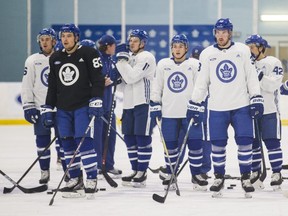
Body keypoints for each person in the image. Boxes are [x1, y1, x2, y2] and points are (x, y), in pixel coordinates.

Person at [186, 18, 264, 197]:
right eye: (218, 32)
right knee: (218, 144)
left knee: (245, 142)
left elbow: (251, 76)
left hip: (241, 105)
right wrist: (195, 102)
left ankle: (245, 176)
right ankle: (218, 176)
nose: (220, 36)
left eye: (224, 32)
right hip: (217, 107)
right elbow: (202, 82)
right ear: (215, 33)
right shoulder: (207, 54)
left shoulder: (243, 50)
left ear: (230, 33)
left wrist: (256, 97)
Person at [41, 23, 105, 197]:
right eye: (63, 36)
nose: (65, 39)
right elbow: (52, 86)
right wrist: (48, 107)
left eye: (69, 36)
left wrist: (97, 99)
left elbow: (98, 79)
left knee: (83, 141)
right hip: (63, 108)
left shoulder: (89, 53)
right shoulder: (55, 58)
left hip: (82, 106)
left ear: (76, 37)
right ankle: (75, 178)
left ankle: (91, 177)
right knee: (67, 143)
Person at [150, 34, 208, 191]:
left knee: (196, 145)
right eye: (174, 46)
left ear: (186, 48)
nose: (177, 49)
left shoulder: (195, 65)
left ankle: (196, 175)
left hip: (190, 113)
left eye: (180, 46)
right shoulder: (163, 64)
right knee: (170, 147)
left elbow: (201, 86)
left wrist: (198, 105)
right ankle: (170, 173)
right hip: (169, 114)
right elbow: (157, 86)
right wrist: (155, 102)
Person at [114, 29, 156, 187]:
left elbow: (131, 77)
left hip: (143, 103)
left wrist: (120, 62)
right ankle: (135, 169)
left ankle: (142, 172)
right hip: (128, 104)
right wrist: (116, 78)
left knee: (142, 138)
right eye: (130, 40)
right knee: (129, 138)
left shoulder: (147, 57)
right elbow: (123, 85)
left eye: (135, 40)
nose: (131, 43)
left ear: (143, 43)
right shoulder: (129, 58)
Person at [21, 27, 61, 184]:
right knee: (42, 141)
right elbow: (27, 84)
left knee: (65, 140)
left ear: (54, 41)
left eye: (47, 39)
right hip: (40, 107)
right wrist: (28, 105)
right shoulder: (32, 60)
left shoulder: (61, 58)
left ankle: (68, 172)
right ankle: (44, 171)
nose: (44, 42)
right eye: (42, 39)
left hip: (60, 107)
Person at [245, 34, 284, 189]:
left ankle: (276, 172)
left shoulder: (273, 62)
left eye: (252, 47)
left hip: (269, 111)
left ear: (261, 47)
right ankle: (255, 171)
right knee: (253, 144)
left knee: (272, 143)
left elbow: (273, 85)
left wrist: (259, 75)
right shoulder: (246, 64)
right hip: (251, 110)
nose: (250, 51)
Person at [95, 35, 122, 178]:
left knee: (111, 136)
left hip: (109, 105)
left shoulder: (112, 61)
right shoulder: (97, 60)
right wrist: (101, 82)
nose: (115, 48)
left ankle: (109, 164)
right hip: (99, 105)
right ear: (108, 46)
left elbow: (113, 79)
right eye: (114, 45)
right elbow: (90, 80)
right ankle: (99, 165)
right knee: (99, 137)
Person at [190, 45, 211, 179]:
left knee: (203, 139)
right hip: (198, 105)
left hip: (203, 106)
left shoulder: (196, 66)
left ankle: (201, 169)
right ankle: (202, 169)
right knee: (203, 138)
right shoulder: (205, 66)